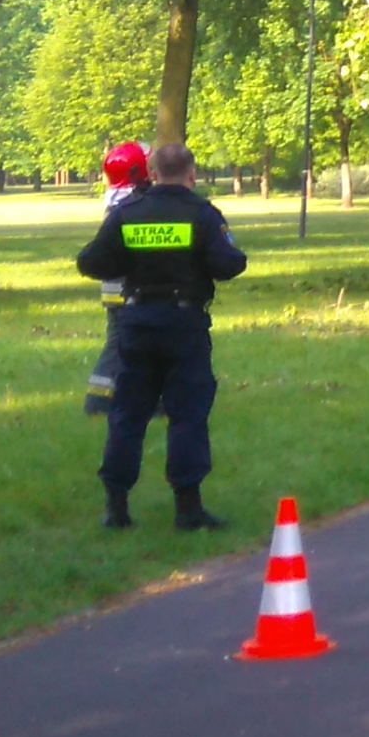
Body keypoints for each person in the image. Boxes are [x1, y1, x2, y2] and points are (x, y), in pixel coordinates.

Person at [75, 138, 249, 531]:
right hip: (184, 325)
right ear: (192, 174)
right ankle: (188, 508)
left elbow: (90, 260)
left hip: (136, 324)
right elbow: (229, 264)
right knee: (187, 415)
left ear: (152, 174)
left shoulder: (128, 213)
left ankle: (116, 508)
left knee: (127, 415)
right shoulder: (203, 215)